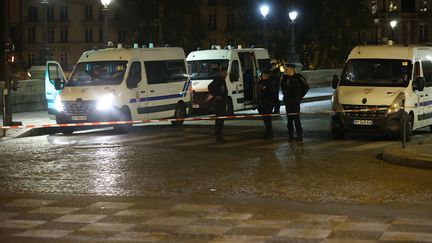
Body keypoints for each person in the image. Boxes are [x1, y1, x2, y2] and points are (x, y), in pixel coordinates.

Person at [281, 63, 309, 142]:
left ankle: (299, 135)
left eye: (287, 69)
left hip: (295, 101)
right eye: (285, 69)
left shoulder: (299, 77)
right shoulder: (284, 78)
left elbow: (306, 87)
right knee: (289, 119)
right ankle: (290, 135)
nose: (286, 70)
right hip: (288, 101)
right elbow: (282, 87)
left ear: (292, 69)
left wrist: (299, 96)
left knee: (296, 118)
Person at [208, 66, 229, 144]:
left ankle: (220, 137)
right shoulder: (218, 80)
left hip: (222, 102)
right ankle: (218, 137)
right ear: (221, 73)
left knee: (221, 120)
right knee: (219, 120)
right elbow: (210, 87)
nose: (226, 74)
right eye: (225, 72)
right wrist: (216, 95)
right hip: (219, 103)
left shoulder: (222, 80)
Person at [258, 66, 276, 139]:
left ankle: (270, 133)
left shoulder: (269, 83)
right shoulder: (263, 82)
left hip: (268, 103)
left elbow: (270, 93)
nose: (262, 76)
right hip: (264, 103)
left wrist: (267, 101)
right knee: (265, 119)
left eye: (263, 75)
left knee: (268, 119)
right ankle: (268, 132)